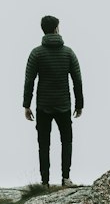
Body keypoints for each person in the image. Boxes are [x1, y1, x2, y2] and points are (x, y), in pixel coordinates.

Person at [22, 15, 84, 189]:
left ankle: (45, 183)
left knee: (44, 144)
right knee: (67, 141)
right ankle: (66, 178)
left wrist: (27, 105)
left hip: (43, 106)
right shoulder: (68, 52)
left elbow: (29, 80)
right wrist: (79, 104)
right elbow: (77, 80)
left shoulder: (36, 53)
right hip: (64, 105)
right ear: (56, 28)